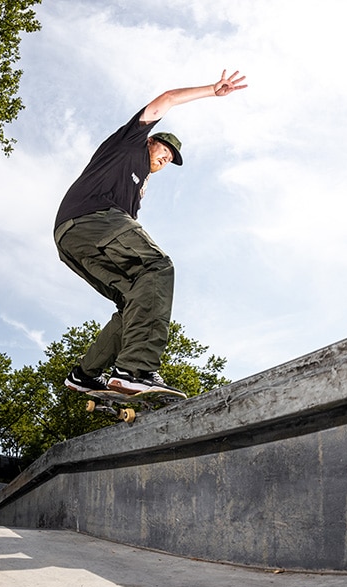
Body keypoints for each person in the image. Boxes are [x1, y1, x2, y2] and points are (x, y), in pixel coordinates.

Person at [55, 69, 247, 396]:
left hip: (73, 239)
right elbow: (167, 100)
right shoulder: (128, 144)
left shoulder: (136, 192)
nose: (165, 158)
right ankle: (135, 369)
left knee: (134, 299)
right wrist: (212, 91)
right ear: (151, 141)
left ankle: (84, 375)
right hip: (91, 218)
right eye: (164, 150)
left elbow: (126, 233)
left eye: (170, 158)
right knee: (158, 267)